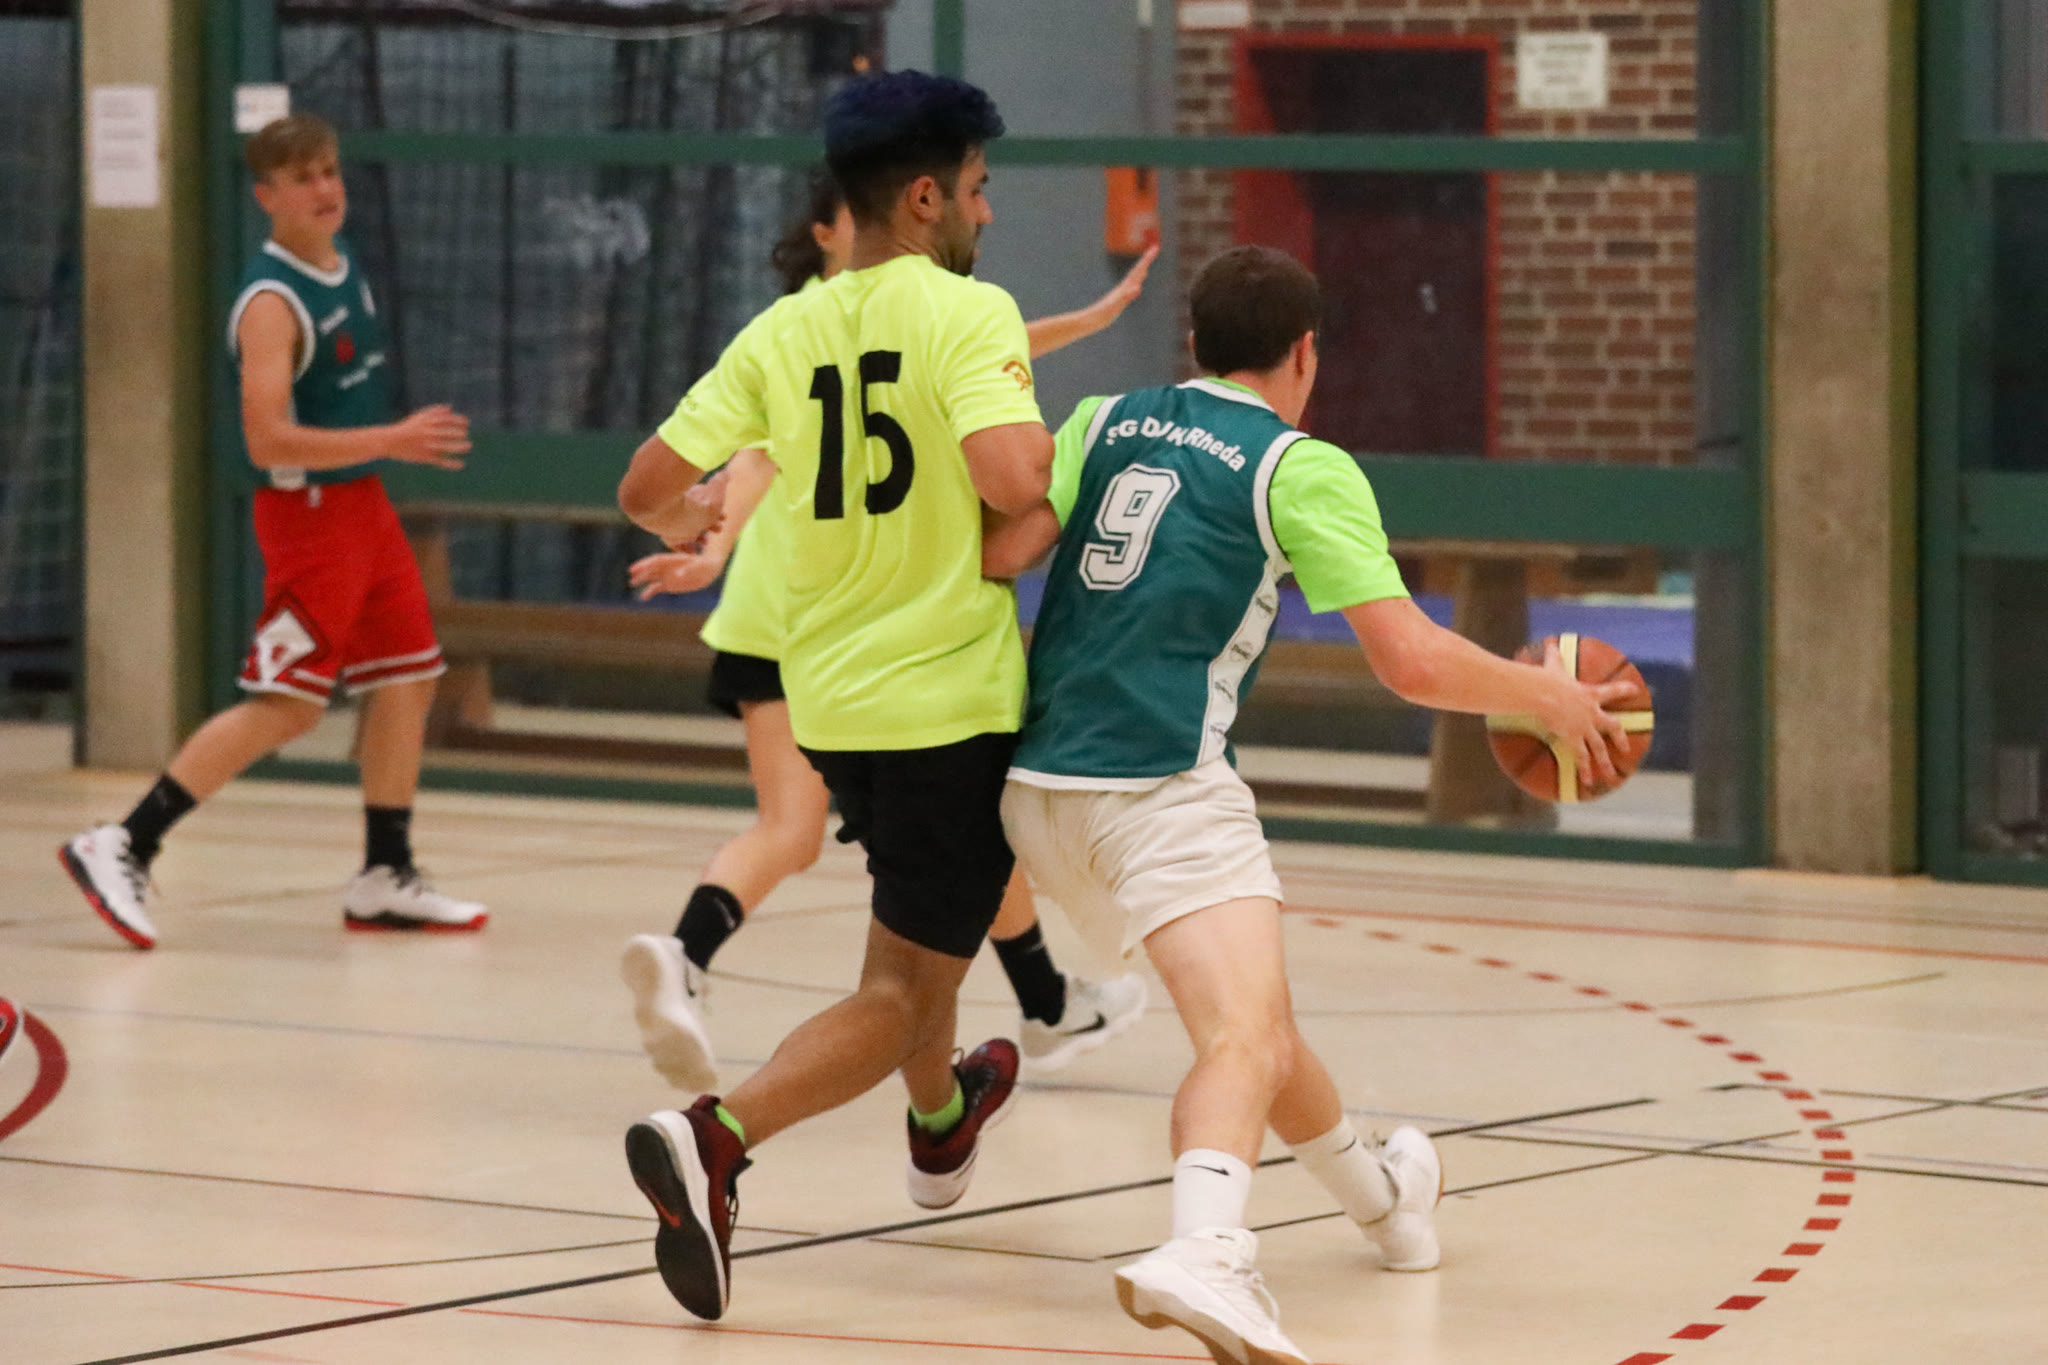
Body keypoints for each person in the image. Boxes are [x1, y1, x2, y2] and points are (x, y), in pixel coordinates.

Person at [983, 246, 1636, 1365]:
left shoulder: (1102, 419)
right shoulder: (1297, 466)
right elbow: (1410, 662)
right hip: (1158, 788)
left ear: (1194, 344)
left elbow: (1002, 550)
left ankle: (1387, 1206)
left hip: (1032, 792)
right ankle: (1206, 1251)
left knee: (1263, 1029)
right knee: (1238, 1037)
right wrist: (1548, 695)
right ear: (1304, 354)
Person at [612, 70, 1062, 1322]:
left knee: (913, 941)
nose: (984, 211)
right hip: (946, 702)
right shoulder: (966, 311)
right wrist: (1072, 456)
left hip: (833, 707)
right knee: (899, 995)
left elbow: (644, 487)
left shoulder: (782, 330)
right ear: (922, 197)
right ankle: (715, 1137)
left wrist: (693, 522)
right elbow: (1010, 478)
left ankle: (941, 1116)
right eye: (976, 188)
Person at [618, 171, 1156, 1092]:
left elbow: (686, 474)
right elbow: (755, 460)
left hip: (806, 637)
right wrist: (718, 542)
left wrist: (1089, 320)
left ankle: (1013, 1028)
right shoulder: (833, 322)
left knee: (881, 848)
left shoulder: (818, 327)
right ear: (841, 226)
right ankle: (731, 1058)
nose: (982, 208)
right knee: (890, 883)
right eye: (974, 187)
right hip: (850, 630)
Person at [60, 115, 484, 948]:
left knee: (408, 677)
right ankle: (125, 841)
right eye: (302, 178)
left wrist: (378, 453)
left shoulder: (343, 261)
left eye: (329, 171)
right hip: (311, 519)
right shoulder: (269, 303)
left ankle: (384, 873)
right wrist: (391, 439)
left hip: (362, 508)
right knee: (288, 706)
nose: (324, 188)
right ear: (266, 196)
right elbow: (266, 440)